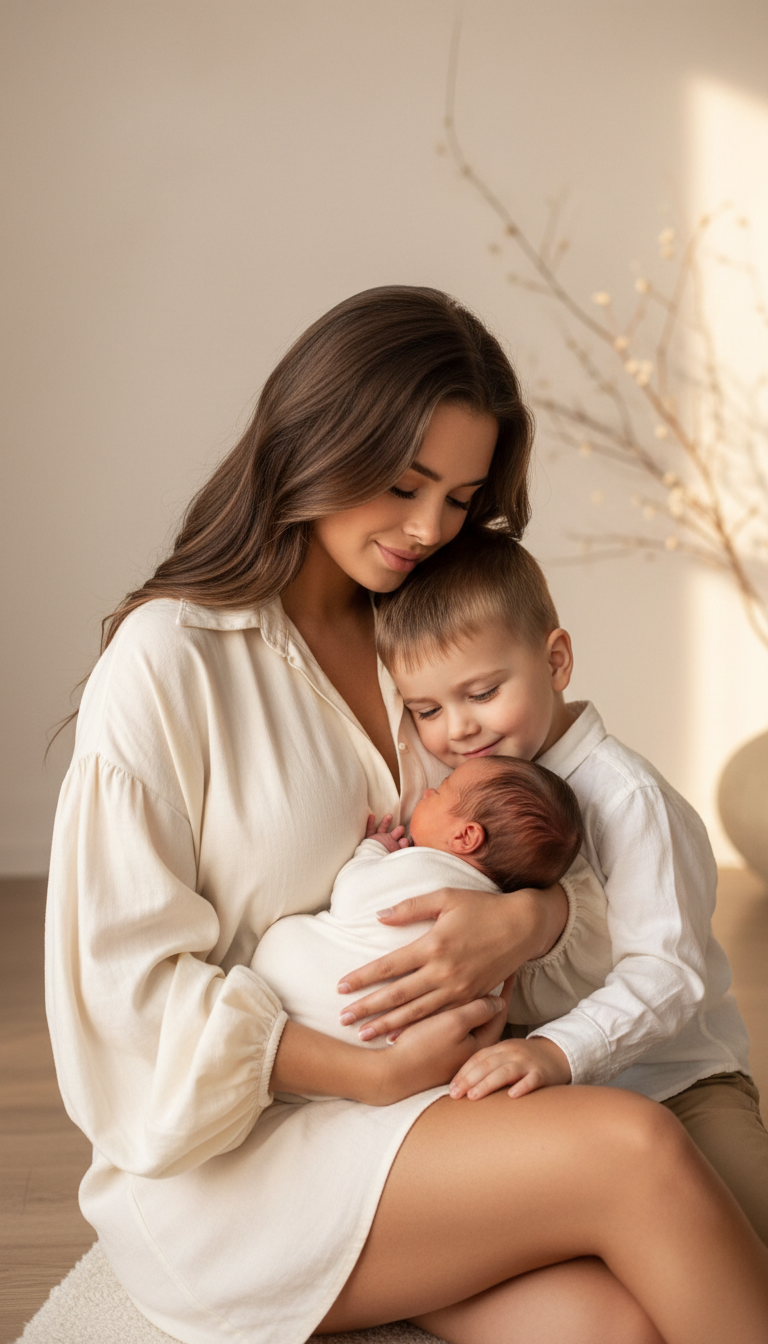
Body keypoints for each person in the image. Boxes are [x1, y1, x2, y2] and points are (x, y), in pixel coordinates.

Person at [45, 286, 768, 1344]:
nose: (430, 529)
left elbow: (555, 845)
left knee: (612, 1324)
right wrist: (373, 1069)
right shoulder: (172, 662)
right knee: (631, 1150)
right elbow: (122, 998)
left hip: (430, 1111)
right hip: (247, 1151)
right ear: (312, 443)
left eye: (462, 499)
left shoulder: (427, 644)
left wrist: (537, 922)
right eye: (402, 485)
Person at [371, 523, 768, 1242]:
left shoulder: (627, 799)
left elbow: (666, 976)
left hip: (674, 1083)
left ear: (555, 661)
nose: (457, 729)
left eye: (482, 692)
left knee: (744, 1229)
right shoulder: (451, 789)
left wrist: (558, 1052)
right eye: (426, 710)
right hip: (539, 1087)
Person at [251, 755, 584, 1072]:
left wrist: (374, 848)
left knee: (282, 937)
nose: (426, 791)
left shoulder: (424, 868)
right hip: (397, 1049)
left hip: (295, 1008)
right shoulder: (495, 936)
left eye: (439, 791)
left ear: (465, 836)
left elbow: (350, 893)